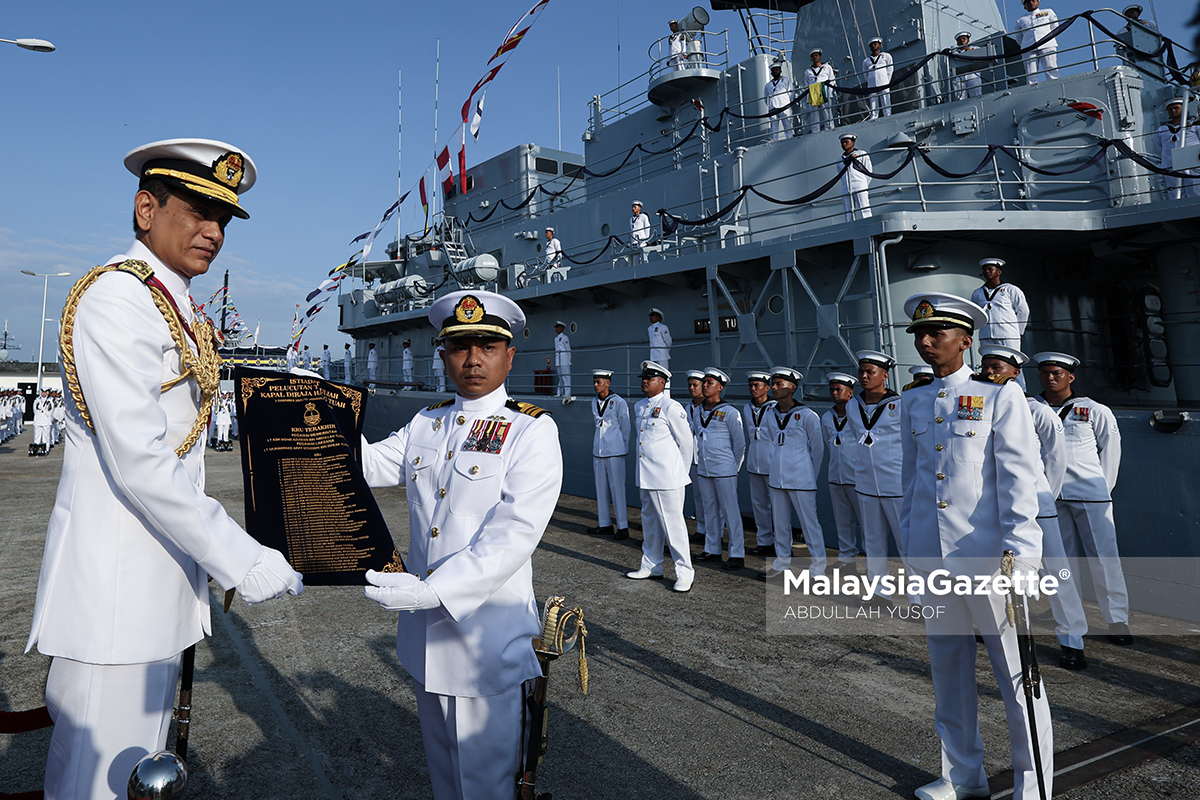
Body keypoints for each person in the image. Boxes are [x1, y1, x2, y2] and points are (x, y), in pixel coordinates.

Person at [26, 138, 303, 800]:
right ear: (145, 209)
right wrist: (239, 555)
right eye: (199, 211)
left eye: (224, 220)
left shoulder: (169, 302)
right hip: (113, 598)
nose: (214, 232)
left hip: (151, 595)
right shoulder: (117, 300)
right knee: (98, 782)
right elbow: (142, 459)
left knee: (139, 778)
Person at [360, 289, 563, 800]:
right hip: (426, 642)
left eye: (487, 346)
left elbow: (514, 531)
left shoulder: (530, 430)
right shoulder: (426, 422)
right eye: (459, 347)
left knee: (486, 786)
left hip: (485, 642)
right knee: (446, 780)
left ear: (509, 355)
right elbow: (362, 466)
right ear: (444, 354)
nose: (472, 359)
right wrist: (314, 410)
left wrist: (436, 590)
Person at [899, 292, 1052, 800]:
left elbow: (1017, 481)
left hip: (990, 558)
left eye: (936, 334)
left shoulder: (998, 396)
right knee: (948, 673)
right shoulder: (915, 400)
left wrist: (1023, 555)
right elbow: (914, 485)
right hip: (936, 560)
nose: (925, 342)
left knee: (1017, 678)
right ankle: (963, 776)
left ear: (965, 340)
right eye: (920, 335)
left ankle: (1034, 788)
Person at [981, 345, 1089, 670]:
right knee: (995, 572)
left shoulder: (1034, 409)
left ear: (1015, 372)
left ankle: (1072, 639)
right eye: (985, 365)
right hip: (994, 505)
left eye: (996, 366)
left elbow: (1056, 457)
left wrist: (1044, 497)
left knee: (1056, 573)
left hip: (1037, 504)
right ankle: (1001, 632)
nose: (988, 371)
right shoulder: (975, 406)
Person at [1032, 351, 1132, 645]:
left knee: (1103, 558)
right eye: (1045, 373)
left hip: (1090, 495)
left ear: (1070, 377)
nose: (1050, 378)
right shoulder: (1031, 408)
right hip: (1051, 496)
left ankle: (1117, 619)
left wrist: (1103, 490)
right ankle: (1059, 609)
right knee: (1060, 560)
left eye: (1057, 373)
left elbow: (1111, 450)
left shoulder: (1094, 410)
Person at [626, 360, 695, 592]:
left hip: (668, 478)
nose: (645, 381)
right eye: (644, 378)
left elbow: (686, 443)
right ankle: (651, 564)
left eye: (650, 378)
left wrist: (679, 473)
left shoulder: (671, 407)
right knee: (650, 523)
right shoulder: (639, 406)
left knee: (673, 526)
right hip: (646, 476)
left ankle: (685, 572)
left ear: (662, 382)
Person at [846, 350, 907, 601]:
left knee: (907, 543)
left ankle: (919, 597)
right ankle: (880, 591)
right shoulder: (852, 404)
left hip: (895, 483)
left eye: (870, 372)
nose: (863, 376)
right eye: (861, 371)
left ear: (884, 375)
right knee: (872, 540)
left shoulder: (901, 404)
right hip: (866, 483)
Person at [764, 367, 824, 579]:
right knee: (780, 524)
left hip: (801, 479)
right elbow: (773, 441)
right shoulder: (770, 413)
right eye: (774, 384)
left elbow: (818, 449)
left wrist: (809, 476)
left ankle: (818, 568)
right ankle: (781, 564)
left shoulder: (808, 415)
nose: (774, 388)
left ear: (793, 388)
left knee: (809, 524)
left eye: (779, 384)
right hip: (777, 478)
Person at [693, 368, 747, 570]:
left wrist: (735, 467)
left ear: (720, 387)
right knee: (709, 510)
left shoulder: (731, 412)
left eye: (709, 383)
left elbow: (740, 444)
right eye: (704, 382)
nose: (705, 385)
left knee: (730, 511)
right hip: (704, 468)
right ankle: (712, 549)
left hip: (725, 469)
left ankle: (736, 553)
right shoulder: (698, 410)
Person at [822, 372, 863, 570]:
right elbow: (828, 442)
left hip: (857, 476)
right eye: (832, 389)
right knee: (842, 519)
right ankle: (847, 557)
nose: (835, 393)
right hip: (836, 475)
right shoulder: (827, 417)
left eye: (839, 389)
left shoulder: (859, 414)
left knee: (866, 521)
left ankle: (872, 560)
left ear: (850, 393)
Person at [970, 258, 1030, 387]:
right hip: (986, 334)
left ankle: (1020, 390)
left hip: (1008, 334)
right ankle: (988, 387)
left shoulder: (1011, 290)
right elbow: (975, 312)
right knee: (988, 363)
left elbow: (1023, 311)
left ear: (999, 272)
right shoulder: (978, 293)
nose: (987, 272)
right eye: (985, 270)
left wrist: (1017, 331)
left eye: (990, 269)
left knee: (1013, 364)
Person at [587, 369, 631, 540]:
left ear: (608, 383)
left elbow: (625, 426)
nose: (596, 385)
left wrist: (624, 447)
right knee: (600, 488)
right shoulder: (594, 401)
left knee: (617, 489)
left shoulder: (619, 402)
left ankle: (623, 526)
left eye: (599, 382)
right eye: (595, 382)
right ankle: (604, 523)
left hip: (615, 451)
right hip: (598, 451)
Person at [743, 370, 778, 558]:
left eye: (757, 385)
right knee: (759, 504)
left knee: (777, 506)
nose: (753, 389)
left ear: (767, 388)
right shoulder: (747, 408)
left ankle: (779, 542)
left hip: (771, 463)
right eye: (751, 385)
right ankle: (764, 541)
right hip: (754, 463)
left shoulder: (775, 407)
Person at [1153, 98, 1200, 200]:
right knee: (1174, 194)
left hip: (1192, 166)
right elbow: (1158, 149)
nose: (1173, 111)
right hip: (1171, 167)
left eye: (1176, 108)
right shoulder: (1162, 130)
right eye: (1170, 109)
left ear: (1184, 109)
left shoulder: (1195, 127)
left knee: (1195, 192)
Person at [684, 369, 708, 543]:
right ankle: (701, 528)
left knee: (711, 498)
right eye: (690, 385)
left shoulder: (709, 407)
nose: (692, 388)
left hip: (707, 458)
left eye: (695, 385)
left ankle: (714, 530)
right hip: (693, 458)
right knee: (698, 495)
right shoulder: (688, 407)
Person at [1014, 0, 1059, 85]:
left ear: (1038, 2)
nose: (1031, 3)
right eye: (1027, 2)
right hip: (1029, 48)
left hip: (1047, 45)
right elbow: (1018, 37)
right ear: (1025, 6)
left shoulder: (1048, 12)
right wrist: (1027, 45)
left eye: (1033, 0)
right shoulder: (1021, 20)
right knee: (1031, 74)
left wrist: (1047, 39)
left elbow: (1055, 27)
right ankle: (1032, 89)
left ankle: (1054, 85)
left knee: (1051, 69)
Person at [839, 133, 873, 221]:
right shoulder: (840, 160)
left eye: (846, 142)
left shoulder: (861, 154)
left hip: (859, 185)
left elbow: (868, 171)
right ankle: (849, 227)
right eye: (842, 142)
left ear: (853, 143)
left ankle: (868, 223)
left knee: (864, 208)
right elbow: (841, 174)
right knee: (848, 211)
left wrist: (863, 184)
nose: (844, 144)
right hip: (846, 187)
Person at [804, 48, 837, 132]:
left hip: (824, 91)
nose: (815, 57)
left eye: (816, 55)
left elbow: (832, 80)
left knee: (826, 111)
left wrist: (830, 93)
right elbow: (806, 84)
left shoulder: (827, 67)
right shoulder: (808, 71)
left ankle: (829, 127)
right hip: (813, 92)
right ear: (811, 59)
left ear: (820, 57)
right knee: (814, 113)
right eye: (813, 56)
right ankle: (815, 130)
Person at [765, 60, 796, 142]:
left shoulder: (786, 80)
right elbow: (766, 97)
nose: (775, 71)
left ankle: (789, 138)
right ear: (771, 72)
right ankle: (774, 140)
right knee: (773, 126)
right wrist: (769, 104)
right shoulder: (768, 85)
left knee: (787, 124)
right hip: (773, 107)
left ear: (780, 70)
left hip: (784, 106)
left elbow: (791, 92)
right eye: (773, 70)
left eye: (777, 69)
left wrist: (789, 103)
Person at [862, 37, 893, 119]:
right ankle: (874, 117)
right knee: (873, 103)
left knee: (886, 101)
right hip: (872, 84)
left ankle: (888, 116)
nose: (873, 46)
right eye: (871, 45)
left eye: (875, 44)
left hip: (883, 82)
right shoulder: (866, 61)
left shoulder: (886, 56)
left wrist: (887, 81)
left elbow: (890, 69)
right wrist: (871, 81)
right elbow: (865, 74)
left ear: (880, 45)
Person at [952, 32, 983, 100]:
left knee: (976, 94)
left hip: (973, 75)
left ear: (968, 40)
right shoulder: (954, 52)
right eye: (959, 39)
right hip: (960, 76)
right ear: (957, 43)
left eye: (964, 38)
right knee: (960, 97)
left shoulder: (975, 48)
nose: (962, 40)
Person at [553, 321, 572, 397]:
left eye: (557, 328)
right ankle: (559, 392)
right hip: (558, 360)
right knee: (560, 376)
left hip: (564, 359)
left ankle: (567, 393)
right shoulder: (556, 339)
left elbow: (568, 349)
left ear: (561, 328)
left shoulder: (565, 338)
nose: (556, 329)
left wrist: (568, 360)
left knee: (566, 376)